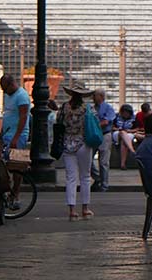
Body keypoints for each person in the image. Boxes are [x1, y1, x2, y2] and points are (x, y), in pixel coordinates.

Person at [57, 82, 96, 221]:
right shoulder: (87, 108)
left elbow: (58, 123)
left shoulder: (64, 107)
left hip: (68, 144)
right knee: (85, 177)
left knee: (71, 178)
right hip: (83, 144)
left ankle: (72, 210)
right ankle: (85, 209)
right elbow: (93, 124)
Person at [0, 73, 31, 153]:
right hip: (7, 134)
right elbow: (7, 113)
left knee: (14, 160)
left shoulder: (21, 96)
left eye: (5, 89)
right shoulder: (8, 95)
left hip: (17, 136)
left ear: (12, 84)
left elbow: (23, 117)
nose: (4, 92)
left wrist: (16, 138)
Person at [92, 89, 115, 192]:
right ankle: (98, 178)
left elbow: (106, 122)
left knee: (103, 161)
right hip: (93, 135)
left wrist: (93, 126)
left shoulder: (108, 108)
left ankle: (104, 185)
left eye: (95, 95)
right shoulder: (92, 108)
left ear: (101, 96)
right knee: (88, 160)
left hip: (104, 134)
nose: (93, 97)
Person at [114, 103, 137, 169]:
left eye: (127, 113)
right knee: (122, 132)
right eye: (124, 112)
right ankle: (132, 150)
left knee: (124, 142)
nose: (125, 114)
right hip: (117, 133)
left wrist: (130, 131)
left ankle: (123, 164)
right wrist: (119, 129)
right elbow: (112, 127)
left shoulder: (134, 118)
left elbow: (138, 128)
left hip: (129, 133)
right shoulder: (116, 117)